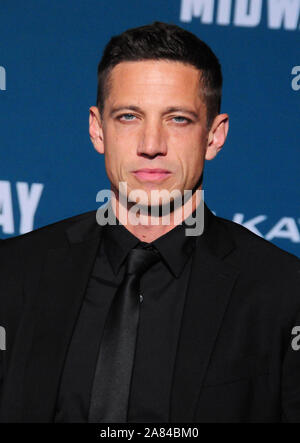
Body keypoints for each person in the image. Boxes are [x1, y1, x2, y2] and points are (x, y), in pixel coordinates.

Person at [0, 21, 299, 423]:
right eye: (128, 117)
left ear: (214, 136)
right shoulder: (14, 273)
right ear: (97, 129)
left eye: (177, 119)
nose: (151, 146)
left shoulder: (281, 292)